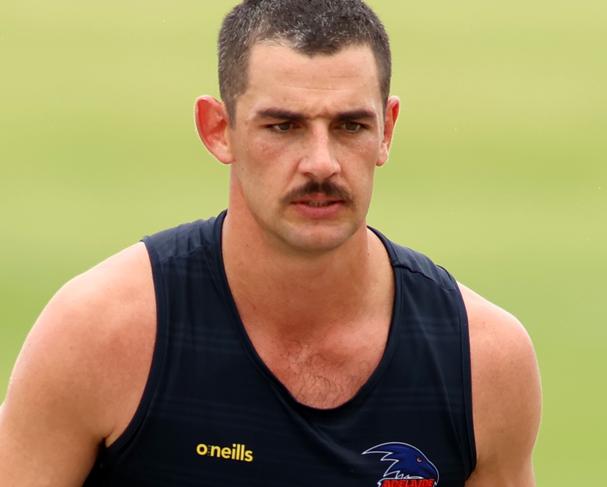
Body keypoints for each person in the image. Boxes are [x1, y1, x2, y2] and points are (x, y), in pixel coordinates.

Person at [0, 0, 541, 485]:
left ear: (387, 131)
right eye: (283, 126)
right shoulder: (101, 333)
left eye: (351, 126)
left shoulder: (483, 360)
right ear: (218, 129)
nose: (322, 163)